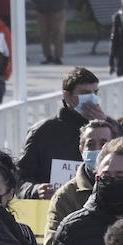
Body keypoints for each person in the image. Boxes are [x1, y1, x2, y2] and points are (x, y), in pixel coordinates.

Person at [17, 67, 105, 198]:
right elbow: (20, 179)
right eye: (85, 93)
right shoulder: (42, 132)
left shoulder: (108, 129)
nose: (92, 99)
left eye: (95, 93)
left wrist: (105, 124)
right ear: (67, 95)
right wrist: (35, 190)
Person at [44, 119, 118, 245]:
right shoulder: (65, 196)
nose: (98, 149)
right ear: (81, 149)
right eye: (91, 144)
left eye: (103, 143)